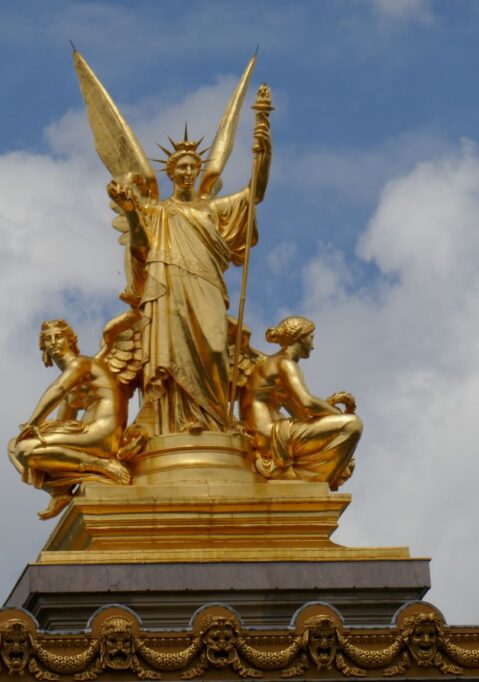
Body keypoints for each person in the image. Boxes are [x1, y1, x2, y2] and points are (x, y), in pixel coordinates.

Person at [106, 123, 271, 436]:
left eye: (192, 166)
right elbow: (141, 249)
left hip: (207, 284)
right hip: (167, 283)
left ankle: (217, 419)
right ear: (170, 172)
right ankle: (176, 424)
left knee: (217, 352)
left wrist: (264, 155)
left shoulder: (213, 208)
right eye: (180, 166)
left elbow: (255, 195)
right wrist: (131, 211)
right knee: (170, 351)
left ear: (198, 170)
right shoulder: (158, 211)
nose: (186, 171)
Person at [8, 320, 131, 520]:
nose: (54, 342)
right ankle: (58, 491)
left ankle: (102, 466)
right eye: (48, 339)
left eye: (59, 336)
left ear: (71, 340)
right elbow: (62, 422)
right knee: (14, 446)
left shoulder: (82, 364)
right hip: (86, 433)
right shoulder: (72, 384)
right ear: (44, 347)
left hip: (102, 432)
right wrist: (40, 429)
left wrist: (34, 422)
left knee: (24, 449)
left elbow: (59, 388)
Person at [241, 316, 362, 490]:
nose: (313, 345)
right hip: (272, 436)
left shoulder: (270, 363)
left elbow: (304, 414)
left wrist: (330, 407)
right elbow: (307, 403)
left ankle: (303, 477)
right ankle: (303, 477)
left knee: (344, 453)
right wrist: (341, 415)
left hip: (264, 434)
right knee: (353, 425)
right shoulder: (285, 364)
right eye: (311, 338)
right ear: (300, 337)